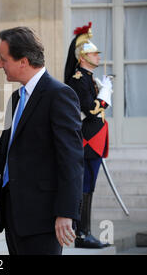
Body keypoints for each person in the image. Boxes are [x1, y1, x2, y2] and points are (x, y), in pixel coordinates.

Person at [0, 27, 84, 255]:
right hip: (14, 217)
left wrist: (66, 213)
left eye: (4, 59)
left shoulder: (59, 95)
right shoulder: (16, 98)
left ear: (23, 61)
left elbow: (72, 160)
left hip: (44, 219)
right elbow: (3, 152)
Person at [64, 22, 113, 249]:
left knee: (89, 186)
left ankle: (85, 231)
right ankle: (82, 234)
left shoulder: (89, 77)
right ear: (82, 56)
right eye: (93, 53)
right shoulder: (78, 79)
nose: (97, 56)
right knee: (84, 185)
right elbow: (89, 109)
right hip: (87, 140)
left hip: (95, 138)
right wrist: (103, 97)